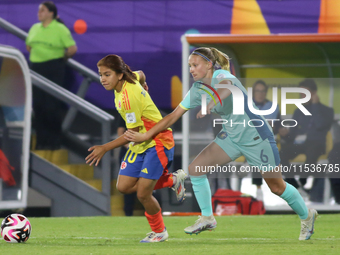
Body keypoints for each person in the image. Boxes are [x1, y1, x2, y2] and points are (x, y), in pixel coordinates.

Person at [125, 47, 318, 240]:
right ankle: (207, 218)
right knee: (196, 169)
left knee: (277, 187)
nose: (191, 69)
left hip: (256, 137)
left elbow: (227, 88)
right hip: (232, 137)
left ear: (209, 65)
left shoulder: (222, 75)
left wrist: (210, 104)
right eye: (190, 66)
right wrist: (145, 136)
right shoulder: (197, 89)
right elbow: (172, 116)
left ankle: (307, 216)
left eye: (195, 65)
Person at [85, 54, 186, 243]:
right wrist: (144, 85)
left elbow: (131, 133)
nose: (103, 79)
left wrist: (104, 148)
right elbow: (141, 74)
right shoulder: (129, 78)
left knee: (142, 194)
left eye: (107, 74)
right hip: (140, 142)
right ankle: (172, 180)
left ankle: (159, 232)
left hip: (158, 141)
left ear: (119, 75)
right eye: (101, 75)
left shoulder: (128, 97)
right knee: (123, 187)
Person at [26, 1, 77, 150]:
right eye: (39, 10)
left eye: (42, 10)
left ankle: (54, 141)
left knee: (51, 105)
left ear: (51, 13)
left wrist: (59, 58)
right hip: (36, 68)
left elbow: (72, 48)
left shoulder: (60, 28)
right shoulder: (35, 28)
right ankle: (42, 141)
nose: (39, 12)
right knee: (38, 105)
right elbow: (29, 46)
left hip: (54, 67)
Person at [279, 79, 334, 202]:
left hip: (316, 144)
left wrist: (314, 105)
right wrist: (285, 134)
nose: (302, 96)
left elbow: (320, 125)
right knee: (280, 153)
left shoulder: (327, 111)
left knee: (312, 150)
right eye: (301, 93)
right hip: (299, 144)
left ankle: (302, 182)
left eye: (306, 93)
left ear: (314, 93)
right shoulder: (298, 111)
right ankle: (295, 186)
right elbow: (292, 135)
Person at [251, 80, 281, 201]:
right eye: (258, 91)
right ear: (253, 92)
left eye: (263, 91)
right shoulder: (245, 105)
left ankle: (291, 188)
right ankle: (258, 188)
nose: (260, 93)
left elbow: (279, 126)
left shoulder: (273, 107)